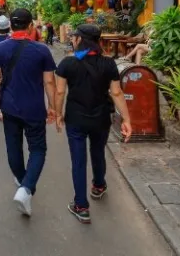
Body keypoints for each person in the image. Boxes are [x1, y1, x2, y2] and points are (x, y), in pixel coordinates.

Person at [54, 24, 132, 224]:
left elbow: (60, 92)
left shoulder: (67, 64)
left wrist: (57, 114)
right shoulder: (109, 64)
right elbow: (116, 92)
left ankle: (81, 206)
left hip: (76, 119)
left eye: (74, 37)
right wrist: (127, 119)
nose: (72, 39)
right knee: (98, 152)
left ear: (80, 40)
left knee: (78, 161)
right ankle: (98, 185)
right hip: (100, 118)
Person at [0, 8, 57, 217]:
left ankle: (23, 182)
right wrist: (53, 107)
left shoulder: (1, 49)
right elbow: (49, 81)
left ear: (11, 26)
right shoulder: (42, 50)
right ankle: (26, 188)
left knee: (13, 147)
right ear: (30, 25)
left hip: (9, 107)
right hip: (34, 108)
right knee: (38, 149)